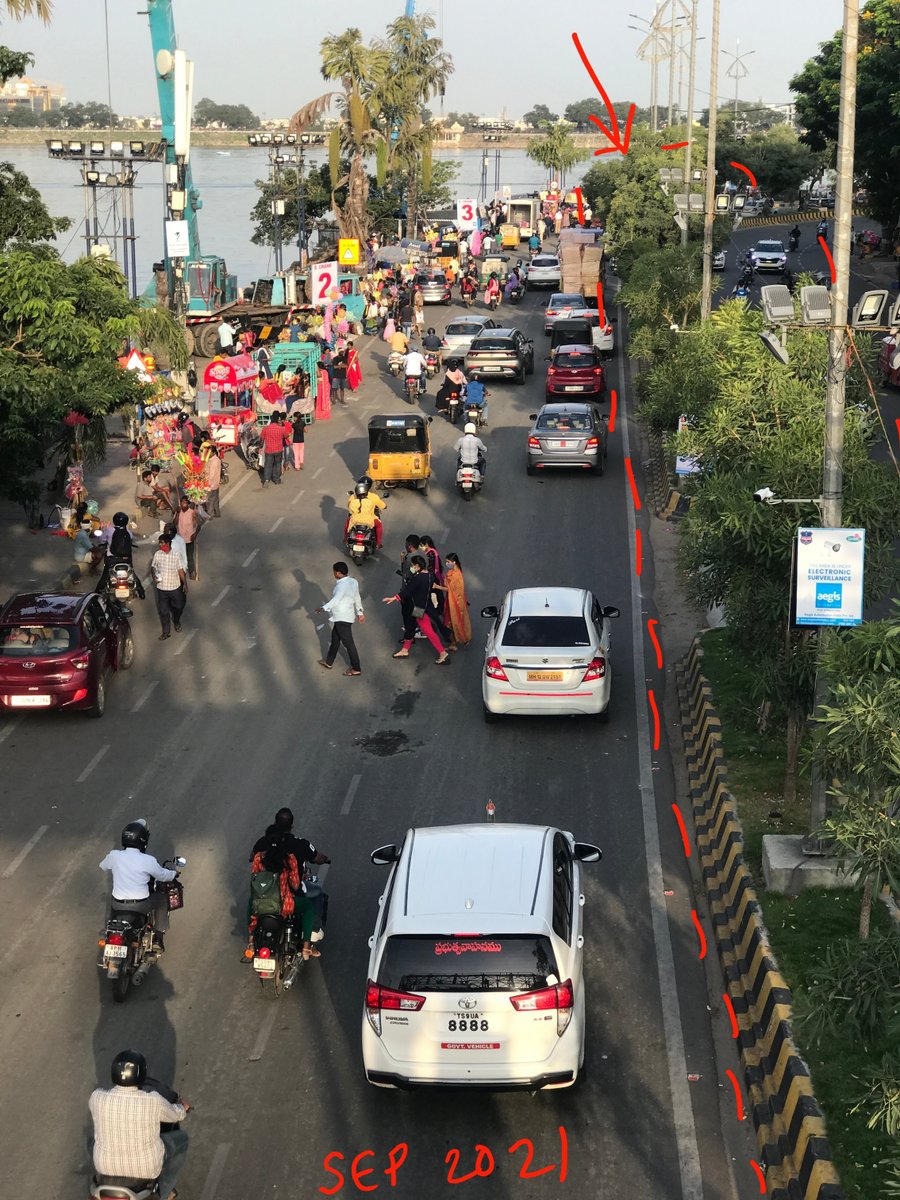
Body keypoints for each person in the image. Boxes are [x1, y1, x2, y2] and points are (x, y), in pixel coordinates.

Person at [89, 1050, 189, 1200]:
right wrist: (183, 1107)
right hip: (146, 1169)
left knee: (90, 1141)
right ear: (142, 1074)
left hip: (104, 1166)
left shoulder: (96, 1097)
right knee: (182, 1140)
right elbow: (176, 1115)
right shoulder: (153, 1101)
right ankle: (164, 1193)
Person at [99, 820, 177, 945]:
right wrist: (173, 874)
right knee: (162, 901)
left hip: (118, 904)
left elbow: (103, 866)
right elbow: (163, 876)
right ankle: (158, 938)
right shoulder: (148, 860)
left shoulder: (114, 855)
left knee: (112, 897)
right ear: (143, 840)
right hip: (141, 905)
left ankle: (112, 928)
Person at [384, 555, 449, 664]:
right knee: (410, 627)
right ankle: (405, 650)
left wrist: (394, 598)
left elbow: (407, 591)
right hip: (423, 606)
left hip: (418, 609)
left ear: (418, 566)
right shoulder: (430, 575)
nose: (412, 567)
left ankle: (443, 653)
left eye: (413, 565)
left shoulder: (418, 578)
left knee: (428, 631)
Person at [315, 561, 365, 676]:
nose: (333, 573)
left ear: (338, 573)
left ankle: (356, 668)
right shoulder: (353, 581)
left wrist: (323, 608)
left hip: (342, 618)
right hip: (346, 617)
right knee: (335, 639)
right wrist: (360, 612)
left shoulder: (341, 585)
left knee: (349, 644)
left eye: (334, 571)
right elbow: (357, 597)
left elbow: (336, 600)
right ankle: (329, 662)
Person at [150, 534, 187, 640]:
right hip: (162, 588)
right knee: (163, 612)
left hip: (175, 587)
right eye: (159, 543)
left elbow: (180, 570)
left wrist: (184, 583)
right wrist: (154, 576)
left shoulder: (176, 554)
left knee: (179, 606)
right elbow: (153, 567)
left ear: (168, 543)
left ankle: (176, 621)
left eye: (162, 543)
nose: (160, 545)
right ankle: (166, 632)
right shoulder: (157, 554)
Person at [435, 552, 472, 650]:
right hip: (455, 601)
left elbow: (450, 589)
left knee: (453, 622)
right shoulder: (454, 572)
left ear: (454, 562)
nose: (447, 563)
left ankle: (458, 641)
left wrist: (437, 587)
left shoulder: (455, 575)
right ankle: (457, 641)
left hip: (455, 603)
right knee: (456, 621)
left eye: (448, 561)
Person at [345, 476, 387, 548]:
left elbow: (349, 508)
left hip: (354, 521)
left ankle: (345, 539)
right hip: (369, 520)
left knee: (347, 524)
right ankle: (378, 543)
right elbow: (381, 506)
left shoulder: (353, 498)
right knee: (379, 525)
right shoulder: (372, 499)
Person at [259, 412, 290, 486]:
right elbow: (286, 436)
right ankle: (277, 479)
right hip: (278, 450)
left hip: (268, 450)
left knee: (268, 465)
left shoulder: (265, 428)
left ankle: (266, 480)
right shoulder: (281, 429)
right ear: (278, 419)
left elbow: (262, 439)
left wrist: (260, 448)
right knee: (277, 464)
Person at [174, 495, 200, 578]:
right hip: (180, 539)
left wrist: (195, 534)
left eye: (185, 503)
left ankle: (192, 571)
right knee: (180, 556)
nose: (183, 504)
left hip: (189, 538)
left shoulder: (192, 512)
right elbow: (174, 523)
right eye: (182, 502)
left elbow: (198, 526)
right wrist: (178, 513)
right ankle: (180, 572)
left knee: (190, 556)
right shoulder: (178, 512)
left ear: (188, 504)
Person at [204, 447, 222, 518]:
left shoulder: (214, 461)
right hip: (215, 483)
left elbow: (212, 474)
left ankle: (210, 514)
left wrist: (207, 483)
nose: (208, 453)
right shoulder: (214, 459)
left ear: (214, 452)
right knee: (215, 499)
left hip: (211, 484)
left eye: (209, 452)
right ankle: (217, 513)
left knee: (210, 500)